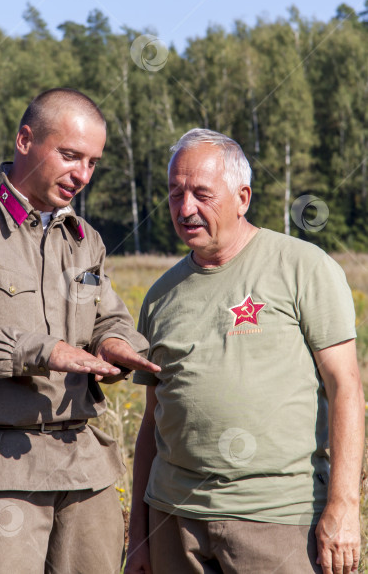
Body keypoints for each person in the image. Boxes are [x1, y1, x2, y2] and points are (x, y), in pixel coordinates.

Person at [0, 87, 160, 574]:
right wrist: (44, 351)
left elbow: (109, 316)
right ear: (26, 140)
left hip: (82, 467)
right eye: (70, 155)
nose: (82, 174)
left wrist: (116, 344)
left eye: (92, 162)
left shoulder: (85, 240)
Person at [126, 128, 364, 574]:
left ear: (243, 197)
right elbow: (150, 422)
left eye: (201, 193)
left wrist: (345, 508)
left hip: (277, 521)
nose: (186, 208)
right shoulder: (159, 295)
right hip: (174, 521)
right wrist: (138, 536)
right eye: (176, 194)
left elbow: (346, 389)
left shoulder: (303, 267)